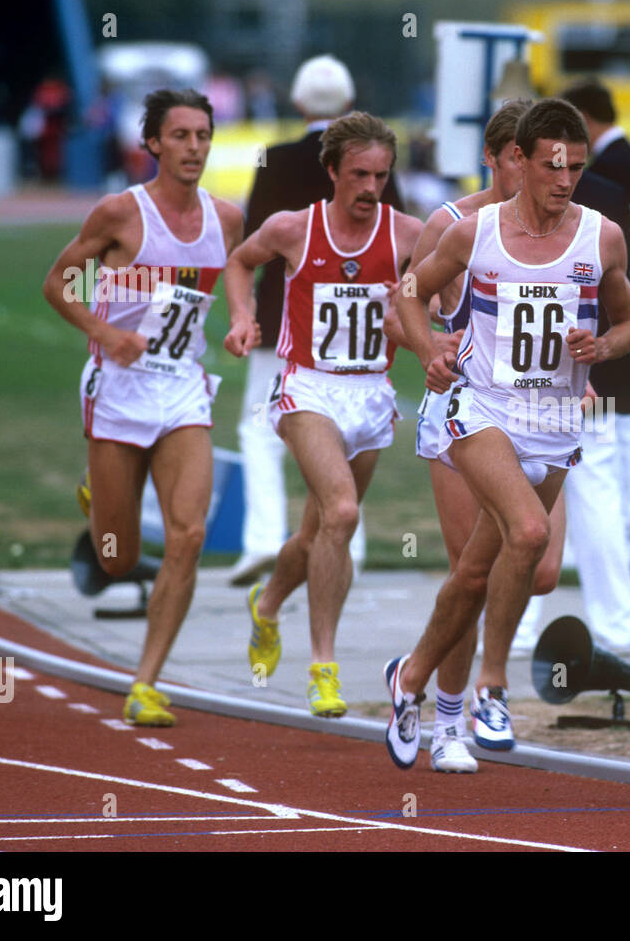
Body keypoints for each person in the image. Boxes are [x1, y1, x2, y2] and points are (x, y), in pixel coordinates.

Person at [384, 98, 630, 768]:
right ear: (519, 162)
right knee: (527, 534)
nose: (565, 181)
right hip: (481, 408)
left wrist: (602, 345)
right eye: (553, 166)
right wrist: (430, 349)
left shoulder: (602, 237)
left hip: (555, 419)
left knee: (479, 572)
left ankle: (409, 679)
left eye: (577, 168)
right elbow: (408, 292)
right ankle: (489, 692)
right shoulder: (474, 233)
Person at [42, 88, 244, 726]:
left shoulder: (227, 218)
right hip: (119, 388)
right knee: (117, 558)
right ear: (152, 143)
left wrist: (242, 319)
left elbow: (239, 281)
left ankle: (146, 683)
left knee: (189, 535)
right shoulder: (119, 214)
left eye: (203, 136)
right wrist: (106, 334)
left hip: (183, 388)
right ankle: (97, 499)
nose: (194, 148)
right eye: (180, 136)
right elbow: (59, 283)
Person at [223, 112, 422, 718]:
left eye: (381, 176)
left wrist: (423, 324)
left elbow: (437, 299)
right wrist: (241, 316)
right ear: (332, 170)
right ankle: (323, 667)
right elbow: (239, 260)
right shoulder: (292, 228)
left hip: (372, 396)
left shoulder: (411, 235)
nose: (369, 187)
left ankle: (267, 604)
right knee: (341, 510)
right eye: (358, 174)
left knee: (318, 534)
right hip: (308, 389)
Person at [230, 54, 403, 586]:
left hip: (285, 318)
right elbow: (394, 240)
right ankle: (355, 543)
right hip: (367, 327)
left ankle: (262, 539)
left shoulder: (274, 158)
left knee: (258, 429)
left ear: (298, 102)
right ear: (348, 103)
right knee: (355, 438)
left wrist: (245, 313)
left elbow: (250, 235)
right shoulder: (376, 161)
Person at [562, 78, 630, 562]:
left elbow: (625, 249)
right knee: (625, 417)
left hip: (606, 316)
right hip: (628, 309)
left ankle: (623, 529)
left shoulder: (605, 180)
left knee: (606, 424)